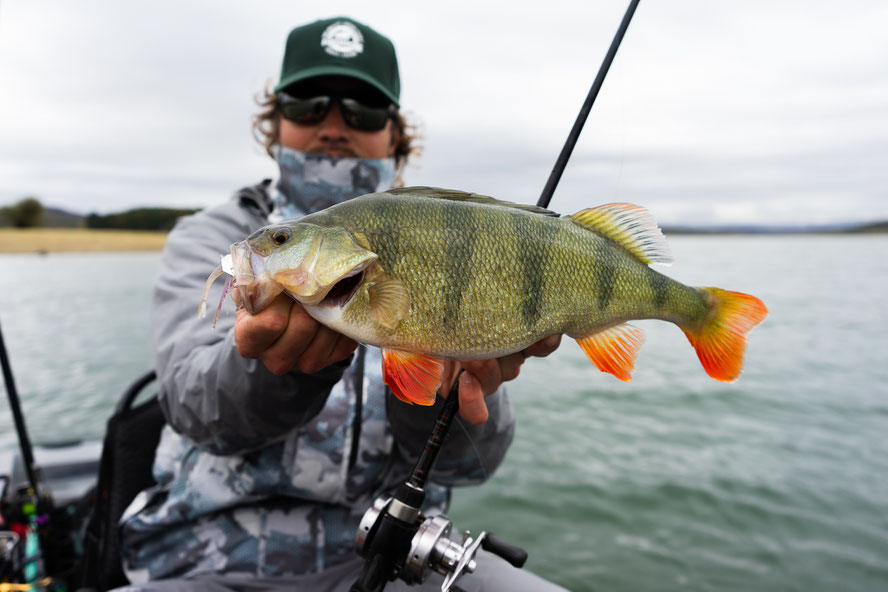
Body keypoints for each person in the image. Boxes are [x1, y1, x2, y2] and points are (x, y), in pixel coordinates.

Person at [118, 16, 566, 592]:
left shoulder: (451, 239)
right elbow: (192, 404)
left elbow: (469, 466)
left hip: (395, 558)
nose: (333, 126)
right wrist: (278, 374)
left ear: (395, 134)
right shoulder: (216, 241)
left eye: (362, 110)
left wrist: (446, 386)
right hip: (207, 558)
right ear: (274, 121)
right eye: (308, 105)